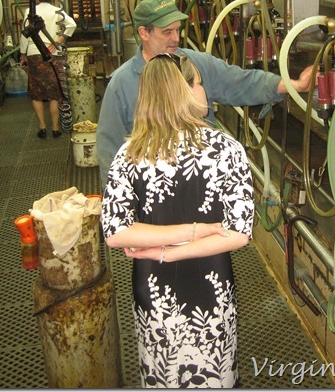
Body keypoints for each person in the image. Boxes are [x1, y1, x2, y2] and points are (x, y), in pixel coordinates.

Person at [100, 53, 254, 388]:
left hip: (154, 290)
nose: (203, 90)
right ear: (181, 91)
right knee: (215, 372)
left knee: (162, 372)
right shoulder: (226, 149)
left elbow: (115, 232)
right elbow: (238, 233)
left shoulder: (129, 155)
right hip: (210, 289)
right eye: (198, 82)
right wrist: (192, 234)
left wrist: (163, 252)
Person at [96, 0, 313, 185]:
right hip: (151, 190)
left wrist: (292, 86)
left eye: (177, 30)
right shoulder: (122, 84)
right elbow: (109, 149)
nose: (176, 38)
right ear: (144, 32)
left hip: (199, 179)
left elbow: (240, 81)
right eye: (167, 32)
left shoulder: (196, 63)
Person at [19, 0, 77, 139]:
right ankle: (56, 128)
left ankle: (42, 127)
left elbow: (25, 35)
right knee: (54, 93)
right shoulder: (57, 11)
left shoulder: (29, 12)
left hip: (34, 53)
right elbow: (72, 24)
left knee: (36, 93)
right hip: (52, 53)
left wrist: (22, 54)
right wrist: (59, 40)